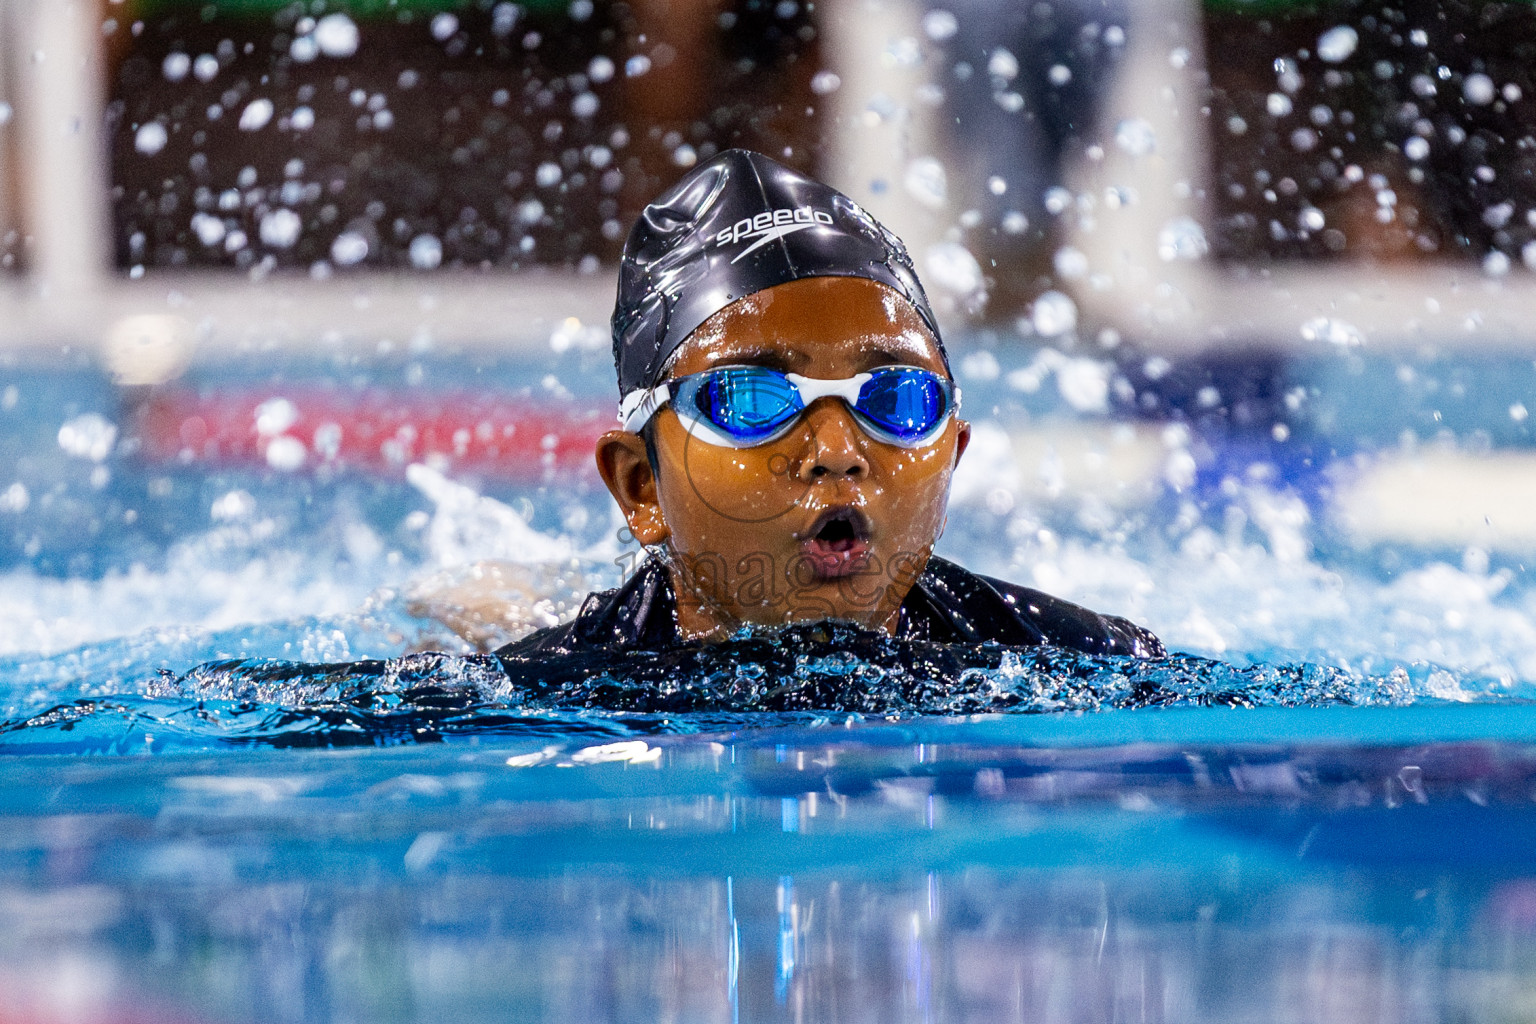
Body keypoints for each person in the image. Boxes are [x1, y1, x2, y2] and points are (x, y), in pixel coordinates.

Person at [500, 150, 1162, 659]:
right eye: (750, 399)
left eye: (896, 398)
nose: (839, 455)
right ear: (641, 486)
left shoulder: (1077, 657)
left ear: (952, 456)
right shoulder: (542, 686)